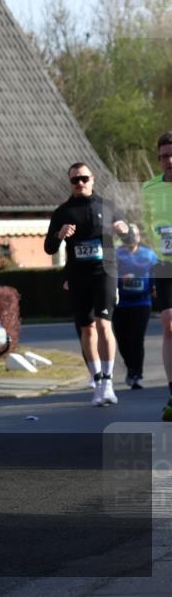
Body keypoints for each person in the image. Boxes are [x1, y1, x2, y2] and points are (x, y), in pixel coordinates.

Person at [44, 162, 129, 407]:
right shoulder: (62, 212)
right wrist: (60, 235)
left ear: (92, 179)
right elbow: (49, 247)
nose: (79, 183)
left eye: (83, 178)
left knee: (104, 324)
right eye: (74, 180)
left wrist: (124, 231)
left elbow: (130, 236)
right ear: (70, 183)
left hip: (104, 272)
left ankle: (109, 382)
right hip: (78, 275)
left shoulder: (108, 206)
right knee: (87, 328)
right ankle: (97, 378)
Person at [140, 131, 172, 421]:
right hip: (164, 265)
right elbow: (148, 224)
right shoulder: (149, 188)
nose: (169, 160)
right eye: (163, 156)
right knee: (169, 326)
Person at [113, 224, 157, 390]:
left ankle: (137, 373)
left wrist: (154, 286)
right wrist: (120, 279)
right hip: (120, 303)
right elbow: (107, 274)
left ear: (139, 237)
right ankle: (131, 367)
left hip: (141, 302)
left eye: (135, 234)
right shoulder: (117, 255)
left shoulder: (148, 254)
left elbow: (157, 272)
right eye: (129, 235)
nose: (133, 237)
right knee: (122, 340)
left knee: (136, 339)